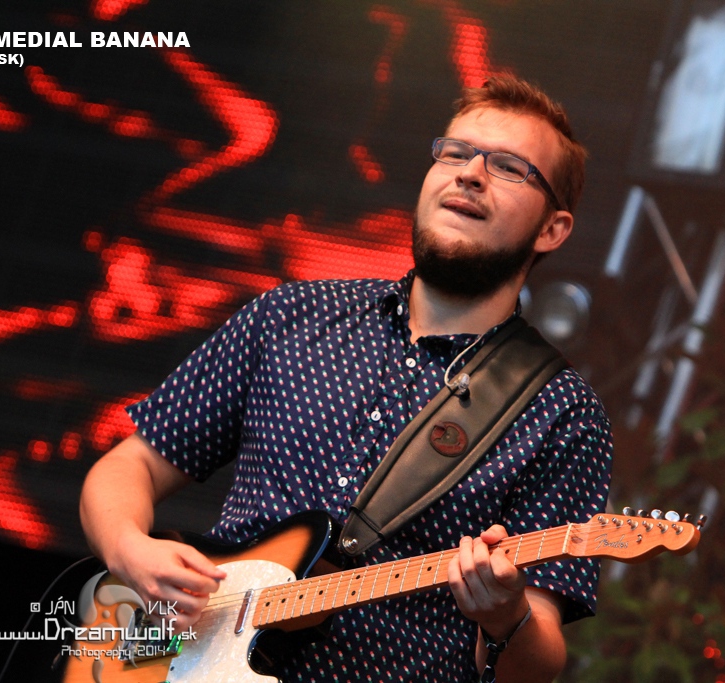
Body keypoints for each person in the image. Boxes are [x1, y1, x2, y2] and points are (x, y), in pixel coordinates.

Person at [80, 74, 613, 683]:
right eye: (456, 152)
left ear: (552, 229)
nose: (470, 173)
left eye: (510, 167)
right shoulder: (291, 315)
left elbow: (535, 666)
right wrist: (131, 550)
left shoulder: (562, 413)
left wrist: (506, 617)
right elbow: (129, 467)